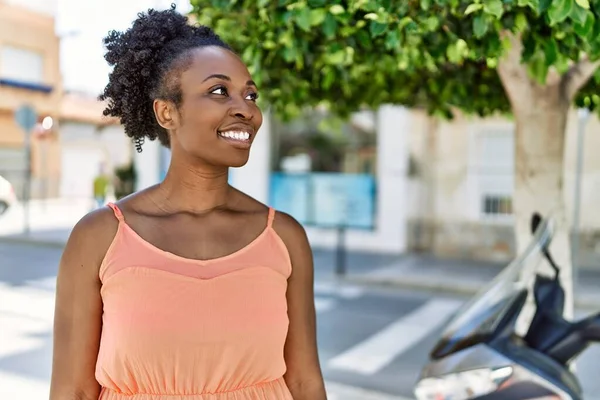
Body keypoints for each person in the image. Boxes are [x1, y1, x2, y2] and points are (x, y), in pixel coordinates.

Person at [49, 5, 326, 400]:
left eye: (250, 94)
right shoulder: (99, 237)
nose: (246, 109)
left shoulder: (284, 237)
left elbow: (304, 382)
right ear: (166, 112)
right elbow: (72, 390)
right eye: (219, 91)